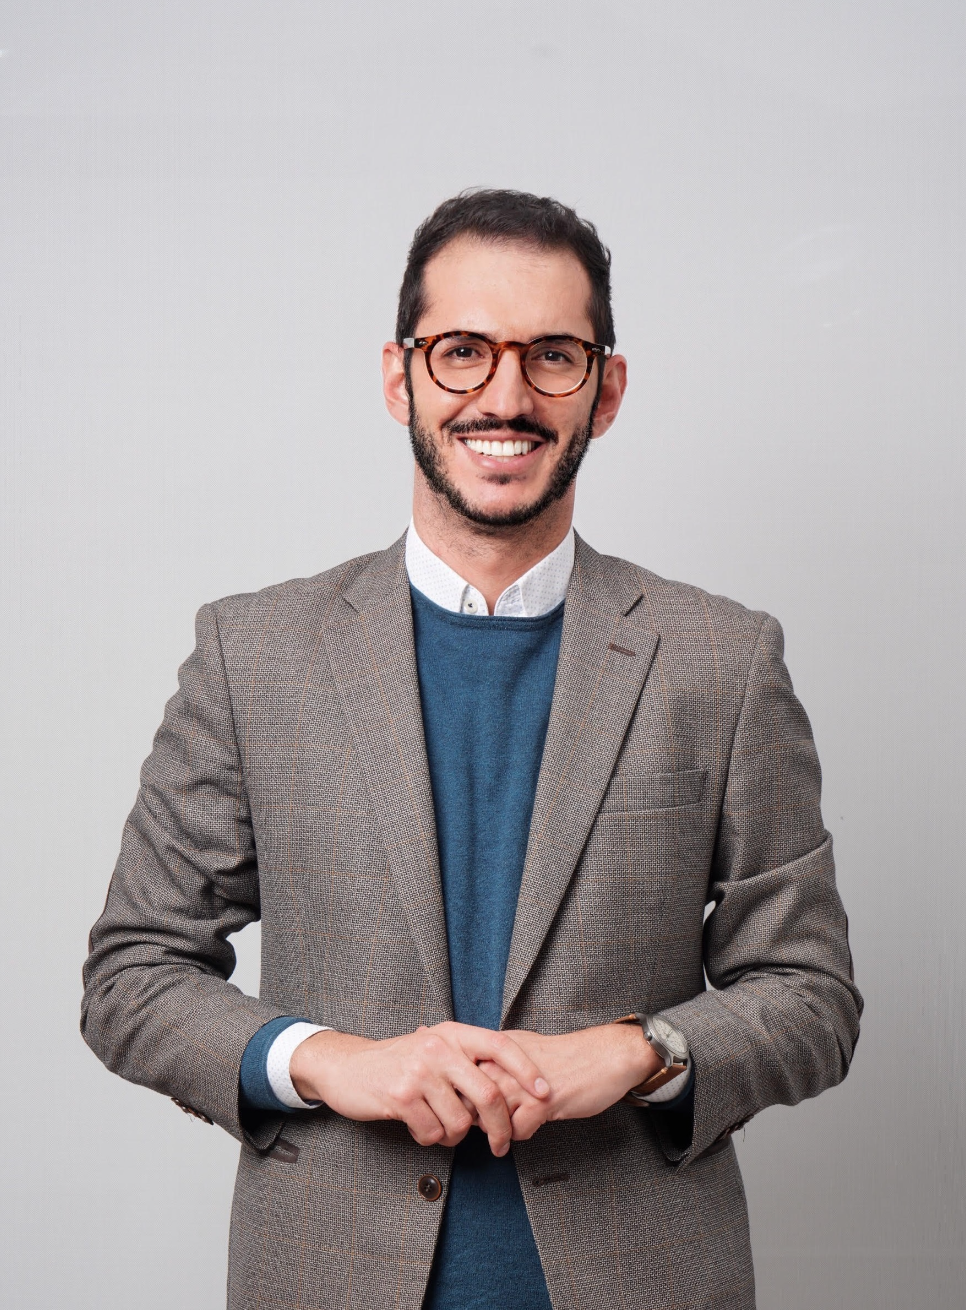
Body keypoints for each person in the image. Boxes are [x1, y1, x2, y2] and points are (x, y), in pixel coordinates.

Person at [82, 189, 861, 1310]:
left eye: (553, 356)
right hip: (325, 1276)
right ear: (399, 378)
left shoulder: (721, 662)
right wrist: (331, 1061)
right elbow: (133, 972)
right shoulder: (253, 654)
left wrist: (639, 1050)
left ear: (607, 389)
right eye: (462, 352)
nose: (506, 396)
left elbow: (810, 993)